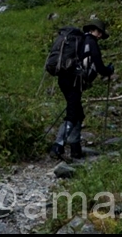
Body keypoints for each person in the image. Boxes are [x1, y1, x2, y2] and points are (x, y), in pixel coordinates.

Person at [50, 20, 114, 160]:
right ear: (94, 30)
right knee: (72, 113)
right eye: (100, 32)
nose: (100, 36)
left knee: (78, 113)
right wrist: (108, 70)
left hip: (64, 79)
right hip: (74, 82)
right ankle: (58, 145)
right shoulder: (90, 43)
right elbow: (99, 67)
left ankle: (75, 149)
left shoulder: (80, 41)